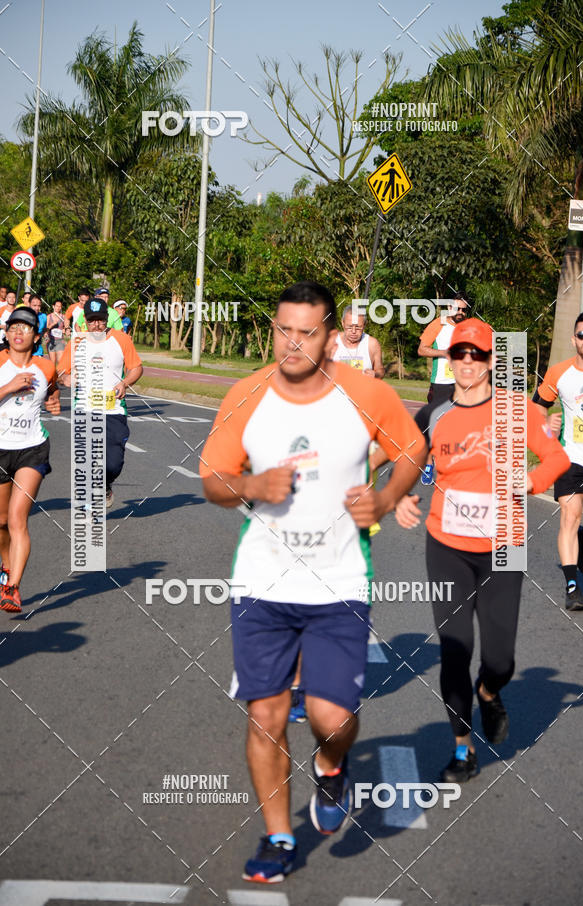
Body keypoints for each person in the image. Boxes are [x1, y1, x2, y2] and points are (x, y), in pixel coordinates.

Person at [200, 280, 426, 883]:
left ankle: (331, 767)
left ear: (330, 336)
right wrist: (252, 486)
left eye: (306, 331)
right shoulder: (246, 393)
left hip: (339, 580)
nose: (292, 342)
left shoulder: (367, 393)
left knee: (330, 717)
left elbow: (412, 447)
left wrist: (384, 499)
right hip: (261, 584)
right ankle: (278, 836)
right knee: (266, 715)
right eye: (283, 329)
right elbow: (212, 478)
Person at [395, 318, 569, 783]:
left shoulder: (518, 412)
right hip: (446, 546)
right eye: (459, 354)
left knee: (500, 659)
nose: (467, 362)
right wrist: (401, 495)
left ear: (492, 361)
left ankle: (490, 693)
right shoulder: (433, 414)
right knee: (456, 649)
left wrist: (530, 481)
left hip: (504, 545)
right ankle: (462, 749)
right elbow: (407, 459)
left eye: (477, 354)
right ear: (448, 360)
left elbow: (558, 458)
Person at [533, 310, 583, 611]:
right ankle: (572, 586)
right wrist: (547, 427)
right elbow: (537, 410)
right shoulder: (559, 372)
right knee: (569, 517)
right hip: (571, 459)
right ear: (574, 339)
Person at [0, 307, 60, 612]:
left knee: (16, 519)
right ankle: (6, 568)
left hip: (33, 447)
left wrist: (54, 401)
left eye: (25, 328)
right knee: (0, 523)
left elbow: (52, 392)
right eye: (13, 328)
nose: (18, 332)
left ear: (35, 336)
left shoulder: (46, 367)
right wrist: (10, 387)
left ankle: (12, 587)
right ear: (7, 333)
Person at [58, 298, 142, 508]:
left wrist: (125, 383)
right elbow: (60, 371)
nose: (96, 325)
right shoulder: (77, 342)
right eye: (92, 320)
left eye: (101, 320)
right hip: (84, 408)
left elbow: (136, 368)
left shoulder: (122, 339)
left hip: (113, 409)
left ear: (107, 319)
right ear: (85, 321)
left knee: (113, 463)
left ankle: (105, 485)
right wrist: (65, 378)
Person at [417, 292, 470, 485]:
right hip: (440, 383)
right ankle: (429, 465)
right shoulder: (438, 324)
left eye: (464, 310)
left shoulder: (471, 328)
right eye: (457, 308)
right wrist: (444, 353)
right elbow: (422, 349)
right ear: (449, 307)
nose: (460, 312)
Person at [330, 305, 384, 377]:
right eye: (349, 326)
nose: (353, 331)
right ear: (343, 323)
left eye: (358, 327)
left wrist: (376, 375)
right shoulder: (331, 341)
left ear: (364, 325)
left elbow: (380, 369)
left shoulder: (372, 344)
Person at [46, 300, 67, 366]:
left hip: (60, 341)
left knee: (60, 362)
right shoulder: (49, 316)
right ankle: (54, 376)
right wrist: (52, 324)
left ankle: (60, 376)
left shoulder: (63, 317)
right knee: (52, 363)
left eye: (60, 306)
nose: (58, 308)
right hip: (51, 341)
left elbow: (66, 327)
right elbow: (46, 329)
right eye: (57, 306)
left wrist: (65, 330)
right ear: (53, 306)